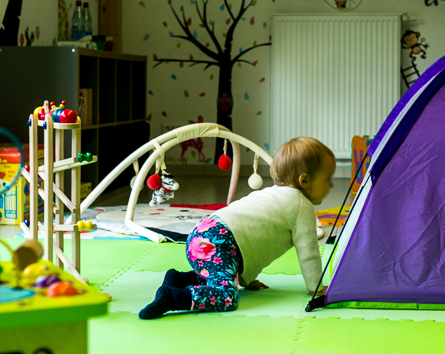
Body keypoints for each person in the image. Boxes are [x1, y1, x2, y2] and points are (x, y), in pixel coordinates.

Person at [139, 137, 335, 319]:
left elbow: (256, 241)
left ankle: (179, 279)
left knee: (220, 276)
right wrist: (316, 288)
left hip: (203, 234)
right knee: (227, 297)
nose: (331, 185)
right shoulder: (301, 206)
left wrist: (247, 280)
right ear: (305, 181)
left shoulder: (274, 195)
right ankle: (173, 297)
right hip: (219, 242)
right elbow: (308, 252)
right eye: (327, 179)